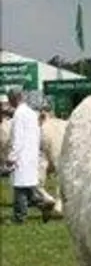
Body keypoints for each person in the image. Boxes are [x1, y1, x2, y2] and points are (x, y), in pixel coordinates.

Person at [6, 88, 53, 224]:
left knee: (20, 188)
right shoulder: (32, 113)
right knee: (29, 188)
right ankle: (43, 204)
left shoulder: (19, 115)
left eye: (9, 100)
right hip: (31, 154)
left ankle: (19, 218)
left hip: (22, 155)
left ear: (14, 99)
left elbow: (18, 138)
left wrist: (12, 156)